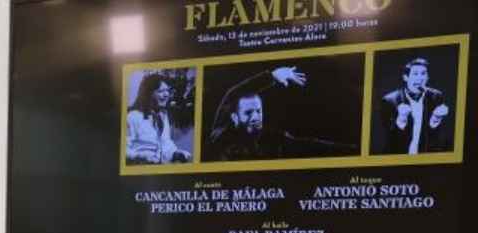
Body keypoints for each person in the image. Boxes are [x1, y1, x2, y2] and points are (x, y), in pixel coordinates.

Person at [206, 65, 355, 161]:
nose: (255, 117)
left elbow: (312, 146)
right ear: (234, 117)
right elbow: (231, 95)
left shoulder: (273, 141)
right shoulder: (221, 137)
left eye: (258, 111)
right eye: (248, 112)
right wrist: (271, 77)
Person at [377, 57, 450, 154]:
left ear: (427, 77)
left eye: (423, 74)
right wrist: (401, 118)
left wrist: (435, 119)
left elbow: (436, 136)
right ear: (405, 77)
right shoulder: (390, 100)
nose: (420, 78)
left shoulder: (436, 97)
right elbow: (387, 138)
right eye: (415, 74)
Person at [125, 73, 191, 164]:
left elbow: (165, 143)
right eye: (161, 91)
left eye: (167, 91)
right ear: (148, 93)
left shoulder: (163, 115)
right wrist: (141, 156)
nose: (166, 94)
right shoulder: (133, 117)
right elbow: (123, 151)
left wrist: (175, 153)